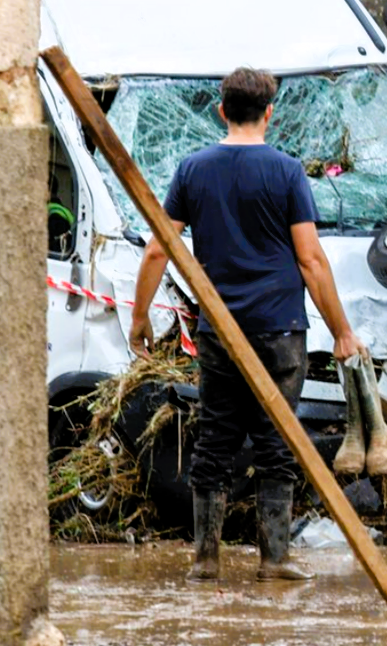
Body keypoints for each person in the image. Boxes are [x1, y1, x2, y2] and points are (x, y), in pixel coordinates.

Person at [129, 67, 366, 583]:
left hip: (220, 333)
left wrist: (140, 317)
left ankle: (205, 560)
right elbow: (311, 262)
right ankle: (274, 559)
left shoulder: (193, 169)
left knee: (214, 439)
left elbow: (156, 250)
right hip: (280, 330)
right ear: (270, 113)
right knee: (277, 440)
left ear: (221, 111)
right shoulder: (286, 172)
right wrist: (343, 330)